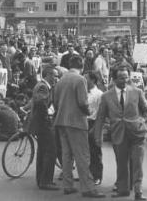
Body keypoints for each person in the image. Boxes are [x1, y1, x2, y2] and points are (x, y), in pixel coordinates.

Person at [94, 68, 147, 201]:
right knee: (121, 163)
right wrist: (98, 136)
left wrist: (144, 124)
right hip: (118, 133)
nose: (125, 80)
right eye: (121, 78)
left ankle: (138, 191)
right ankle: (123, 189)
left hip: (137, 133)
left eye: (126, 77)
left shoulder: (137, 92)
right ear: (114, 80)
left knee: (137, 163)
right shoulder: (106, 96)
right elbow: (100, 117)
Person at [53, 55, 104, 198]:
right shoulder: (80, 79)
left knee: (67, 155)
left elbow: (55, 101)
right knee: (82, 155)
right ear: (81, 66)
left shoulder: (62, 78)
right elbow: (82, 102)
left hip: (61, 120)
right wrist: (87, 113)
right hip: (76, 122)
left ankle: (68, 185)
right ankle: (87, 188)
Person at [27, 65, 59, 191]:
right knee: (51, 151)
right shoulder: (43, 87)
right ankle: (46, 181)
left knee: (42, 152)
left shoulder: (42, 85)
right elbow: (41, 103)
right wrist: (47, 119)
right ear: (48, 75)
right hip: (43, 124)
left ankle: (41, 179)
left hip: (40, 124)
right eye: (55, 76)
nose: (56, 78)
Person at [85, 71, 103, 186]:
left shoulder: (99, 94)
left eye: (86, 78)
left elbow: (101, 113)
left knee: (95, 151)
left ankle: (97, 175)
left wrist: (96, 127)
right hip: (82, 123)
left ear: (93, 80)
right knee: (85, 151)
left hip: (93, 123)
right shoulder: (83, 91)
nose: (84, 80)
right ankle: (87, 174)